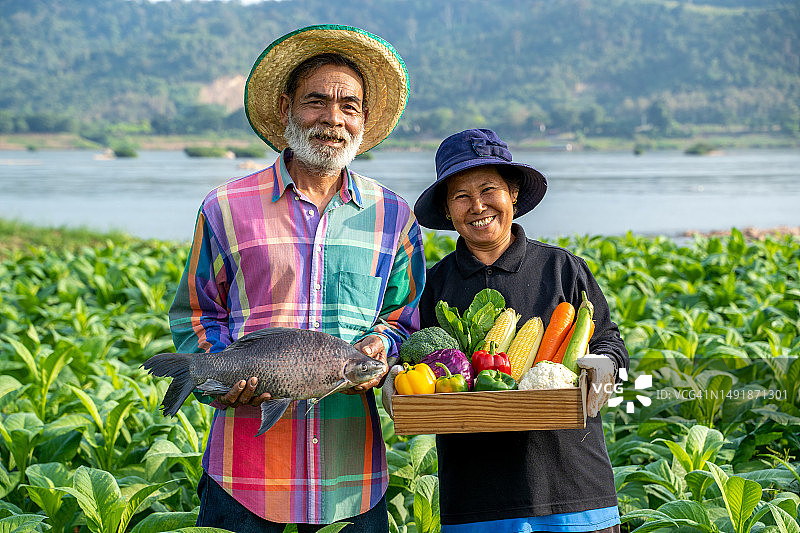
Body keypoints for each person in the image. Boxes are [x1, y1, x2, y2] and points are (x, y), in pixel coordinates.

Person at [168, 25, 425, 532]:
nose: (333, 119)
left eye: (349, 106)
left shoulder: (394, 215)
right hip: (243, 479)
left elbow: (405, 318)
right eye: (316, 102)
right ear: (286, 109)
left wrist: (383, 345)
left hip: (351, 480)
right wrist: (219, 380)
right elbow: (196, 315)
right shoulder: (225, 207)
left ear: (364, 119)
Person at [386, 128, 628, 532]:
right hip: (477, 501)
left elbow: (609, 340)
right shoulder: (431, 286)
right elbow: (409, 353)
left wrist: (606, 362)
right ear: (447, 210)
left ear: (513, 193)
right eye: (461, 196)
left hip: (574, 492)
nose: (477, 205)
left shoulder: (563, 269)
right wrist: (395, 373)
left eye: (488, 190)